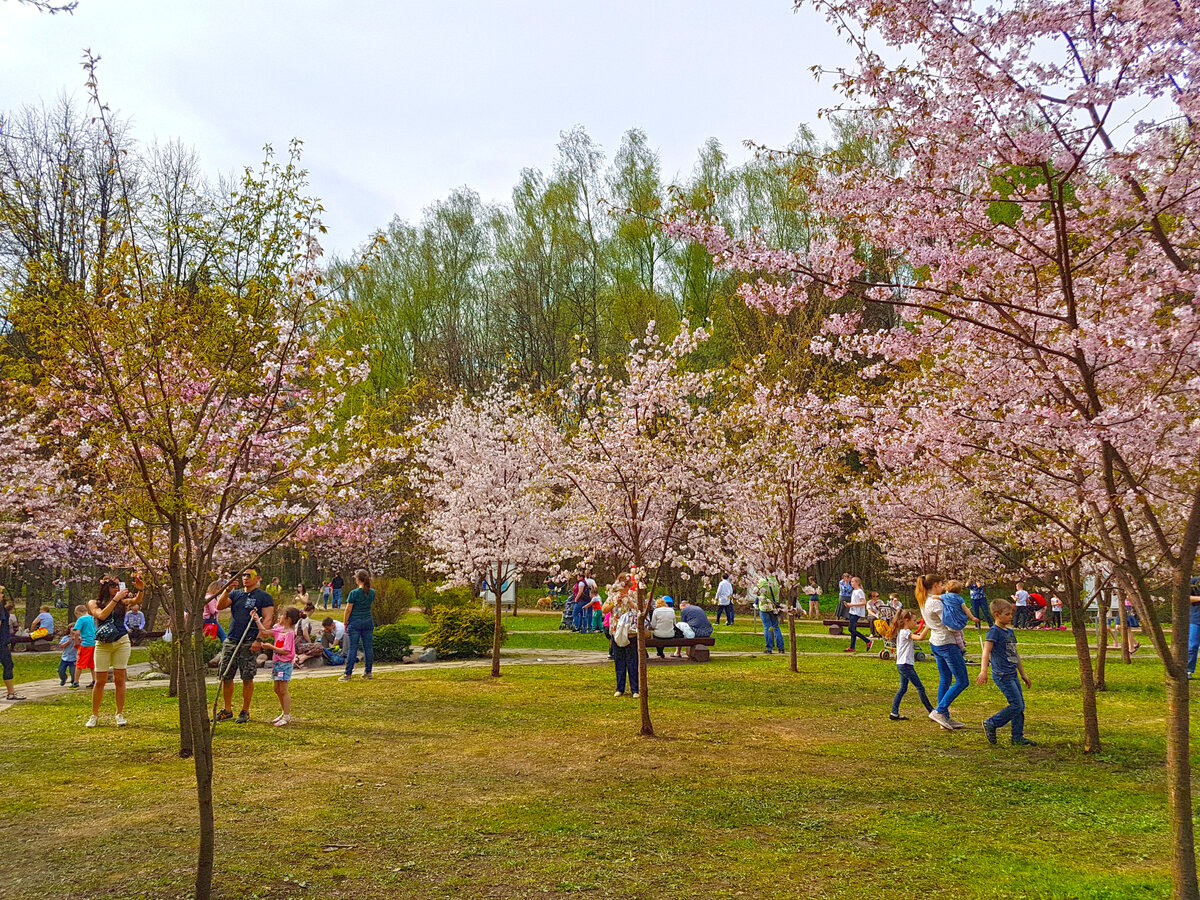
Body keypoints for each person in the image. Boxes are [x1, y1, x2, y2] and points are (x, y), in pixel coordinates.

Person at [215, 569, 275, 724]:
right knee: (226, 675)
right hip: (232, 640)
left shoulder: (263, 597)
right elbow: (219, 606)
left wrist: (259, 639)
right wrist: (228, 590)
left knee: (247, 676)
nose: (246, 578)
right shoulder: (236, 594)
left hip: (249, 641)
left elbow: (268, 619)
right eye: (244, 575)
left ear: (258, 578)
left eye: (249, 575)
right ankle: (227, 710)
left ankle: (245, 710)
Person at [87, 573, 145, 727]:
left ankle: (119, 713)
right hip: (103, 644)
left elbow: (135, 601)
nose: (116, 589)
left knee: (120, 679)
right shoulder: (94, 602)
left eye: (118, 586)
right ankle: (94, 715)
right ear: (105, 587)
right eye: (113, 586)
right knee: (100, 681)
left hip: (121, 641)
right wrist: (115, 599)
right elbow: (102, 614)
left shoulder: (122, 602)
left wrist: (141, 590)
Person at [977, 599, 1036, 745]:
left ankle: (1017, 737)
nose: (1011, 617)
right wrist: (983, 670)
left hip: (1012, 674)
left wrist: (1023, 674)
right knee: (1016, 705)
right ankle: (991, 723)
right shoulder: (994, 632)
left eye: (1011, 614)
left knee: (1020, 706)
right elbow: (986, 652)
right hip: (1002, 675)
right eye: (1007, 614)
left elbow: (1015, 654)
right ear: (997, 615)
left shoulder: (1009, 632)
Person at [917, 574, 969, 731]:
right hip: (947, 643)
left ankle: (944, 717)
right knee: (962, 680)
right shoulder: (935, 602)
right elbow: (950, 625)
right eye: (941, 585)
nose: (943, 588)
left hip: (936, 642)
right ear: (935, 586)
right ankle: (939, 711)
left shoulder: (924, 599)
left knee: (945, 679)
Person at [255, 606, 298, 726]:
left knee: (283, 689)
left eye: (282, 615)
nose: (280, 617)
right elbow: (264, 632)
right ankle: (284, 711)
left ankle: (287, 715)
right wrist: (257, 620)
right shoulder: (278, 629)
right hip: (277, 663)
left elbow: (285, 651)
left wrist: (270, 647)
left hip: (285, 664)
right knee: (277, 689)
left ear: (288, 618)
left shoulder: (289, 633)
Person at [890, 608, 932, 720]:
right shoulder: (905, 632)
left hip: (902, 664)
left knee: (903, 688)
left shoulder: (903, 632)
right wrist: (928, 626)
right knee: (920, 688)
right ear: (907, 621)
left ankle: (894, 713)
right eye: (914, 620)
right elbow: (921, 638)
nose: (916, 622)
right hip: (905, 665)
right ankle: (932, 712)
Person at [340, 569, 376, 681]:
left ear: (358, 579)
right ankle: (368, 671)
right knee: (368, 647)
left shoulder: (354, 593)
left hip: (355, 621)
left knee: (353, 648)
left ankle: (348, 674)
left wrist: (345, 622)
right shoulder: (372, 592)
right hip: (368, 620)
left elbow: (348, 610)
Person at [939, 580, 979, 655]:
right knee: (960, 631)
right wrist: (972, 617)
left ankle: (962, 649)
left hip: (952, 620)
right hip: (959, 618)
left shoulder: (945, 596)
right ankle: (963, 641)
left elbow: (936, 597)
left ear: (947, 589)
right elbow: (965, 609)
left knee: (956, 634)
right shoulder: (959, 598)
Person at [611, 594, 639, 698]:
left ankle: (635, 689)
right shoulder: (612, 596)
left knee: (632, 662)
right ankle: (620, 688)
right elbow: (604, 609)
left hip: (631, 632)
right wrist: (615, 602)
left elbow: (641, 609)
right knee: (619, 662)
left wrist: (630, 603)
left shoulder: (634, 595)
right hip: (616, 632)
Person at [0, 595, 22, 702]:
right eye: (0, 593)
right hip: (1, 642)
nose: (2, 595)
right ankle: (11, 692)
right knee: (8, 664)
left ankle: (11, 692)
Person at [844, 576, 873, 653]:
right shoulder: (854, 591)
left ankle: (867, 641)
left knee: (850, 629)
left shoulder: (860, 591)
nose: (851, 583)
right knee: (853, 629)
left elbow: (863, 602)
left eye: (853, 581)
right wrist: (849, 605)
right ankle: (852, 647)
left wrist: (852, 604)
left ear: (857, 582)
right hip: (852, 611)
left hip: (857, 612)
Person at [758, 578, 785, 654]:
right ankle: (781, 648)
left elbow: (756, 590)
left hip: (764, 607)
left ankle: (769, 648)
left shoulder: (762, 581)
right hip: (774, 607)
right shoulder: (776, 580)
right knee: (776, 627)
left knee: (767, 627)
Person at [73, 604, 96, 689]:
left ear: (77, 613)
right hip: (94, 643)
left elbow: (77, 632)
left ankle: (76, 682)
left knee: (79, 664)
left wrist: (76, 642)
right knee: (92, 664)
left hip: (85, 644)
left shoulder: (81, 619)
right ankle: (94, 681)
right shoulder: (92, 618)